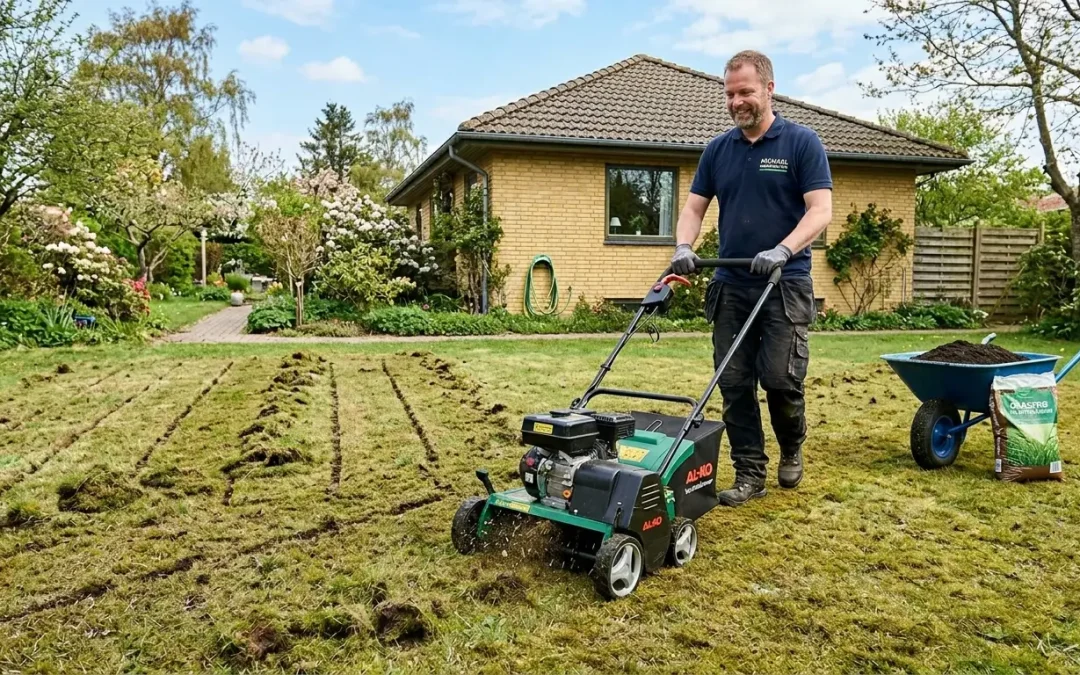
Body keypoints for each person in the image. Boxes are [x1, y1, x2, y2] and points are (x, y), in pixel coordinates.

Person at [671, 50, 833, 506]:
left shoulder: (801, 143)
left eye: (745, 91)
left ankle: (792, 445)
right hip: (732, 284)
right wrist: (684, 247)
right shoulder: (718, 150)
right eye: (729, 93)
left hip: (785, 283)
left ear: (768, 90)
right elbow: (693, 209)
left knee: (780, 379)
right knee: (734, 381)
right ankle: (749, 473)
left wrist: (783, 248)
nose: (736, 101)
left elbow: (821, 210)